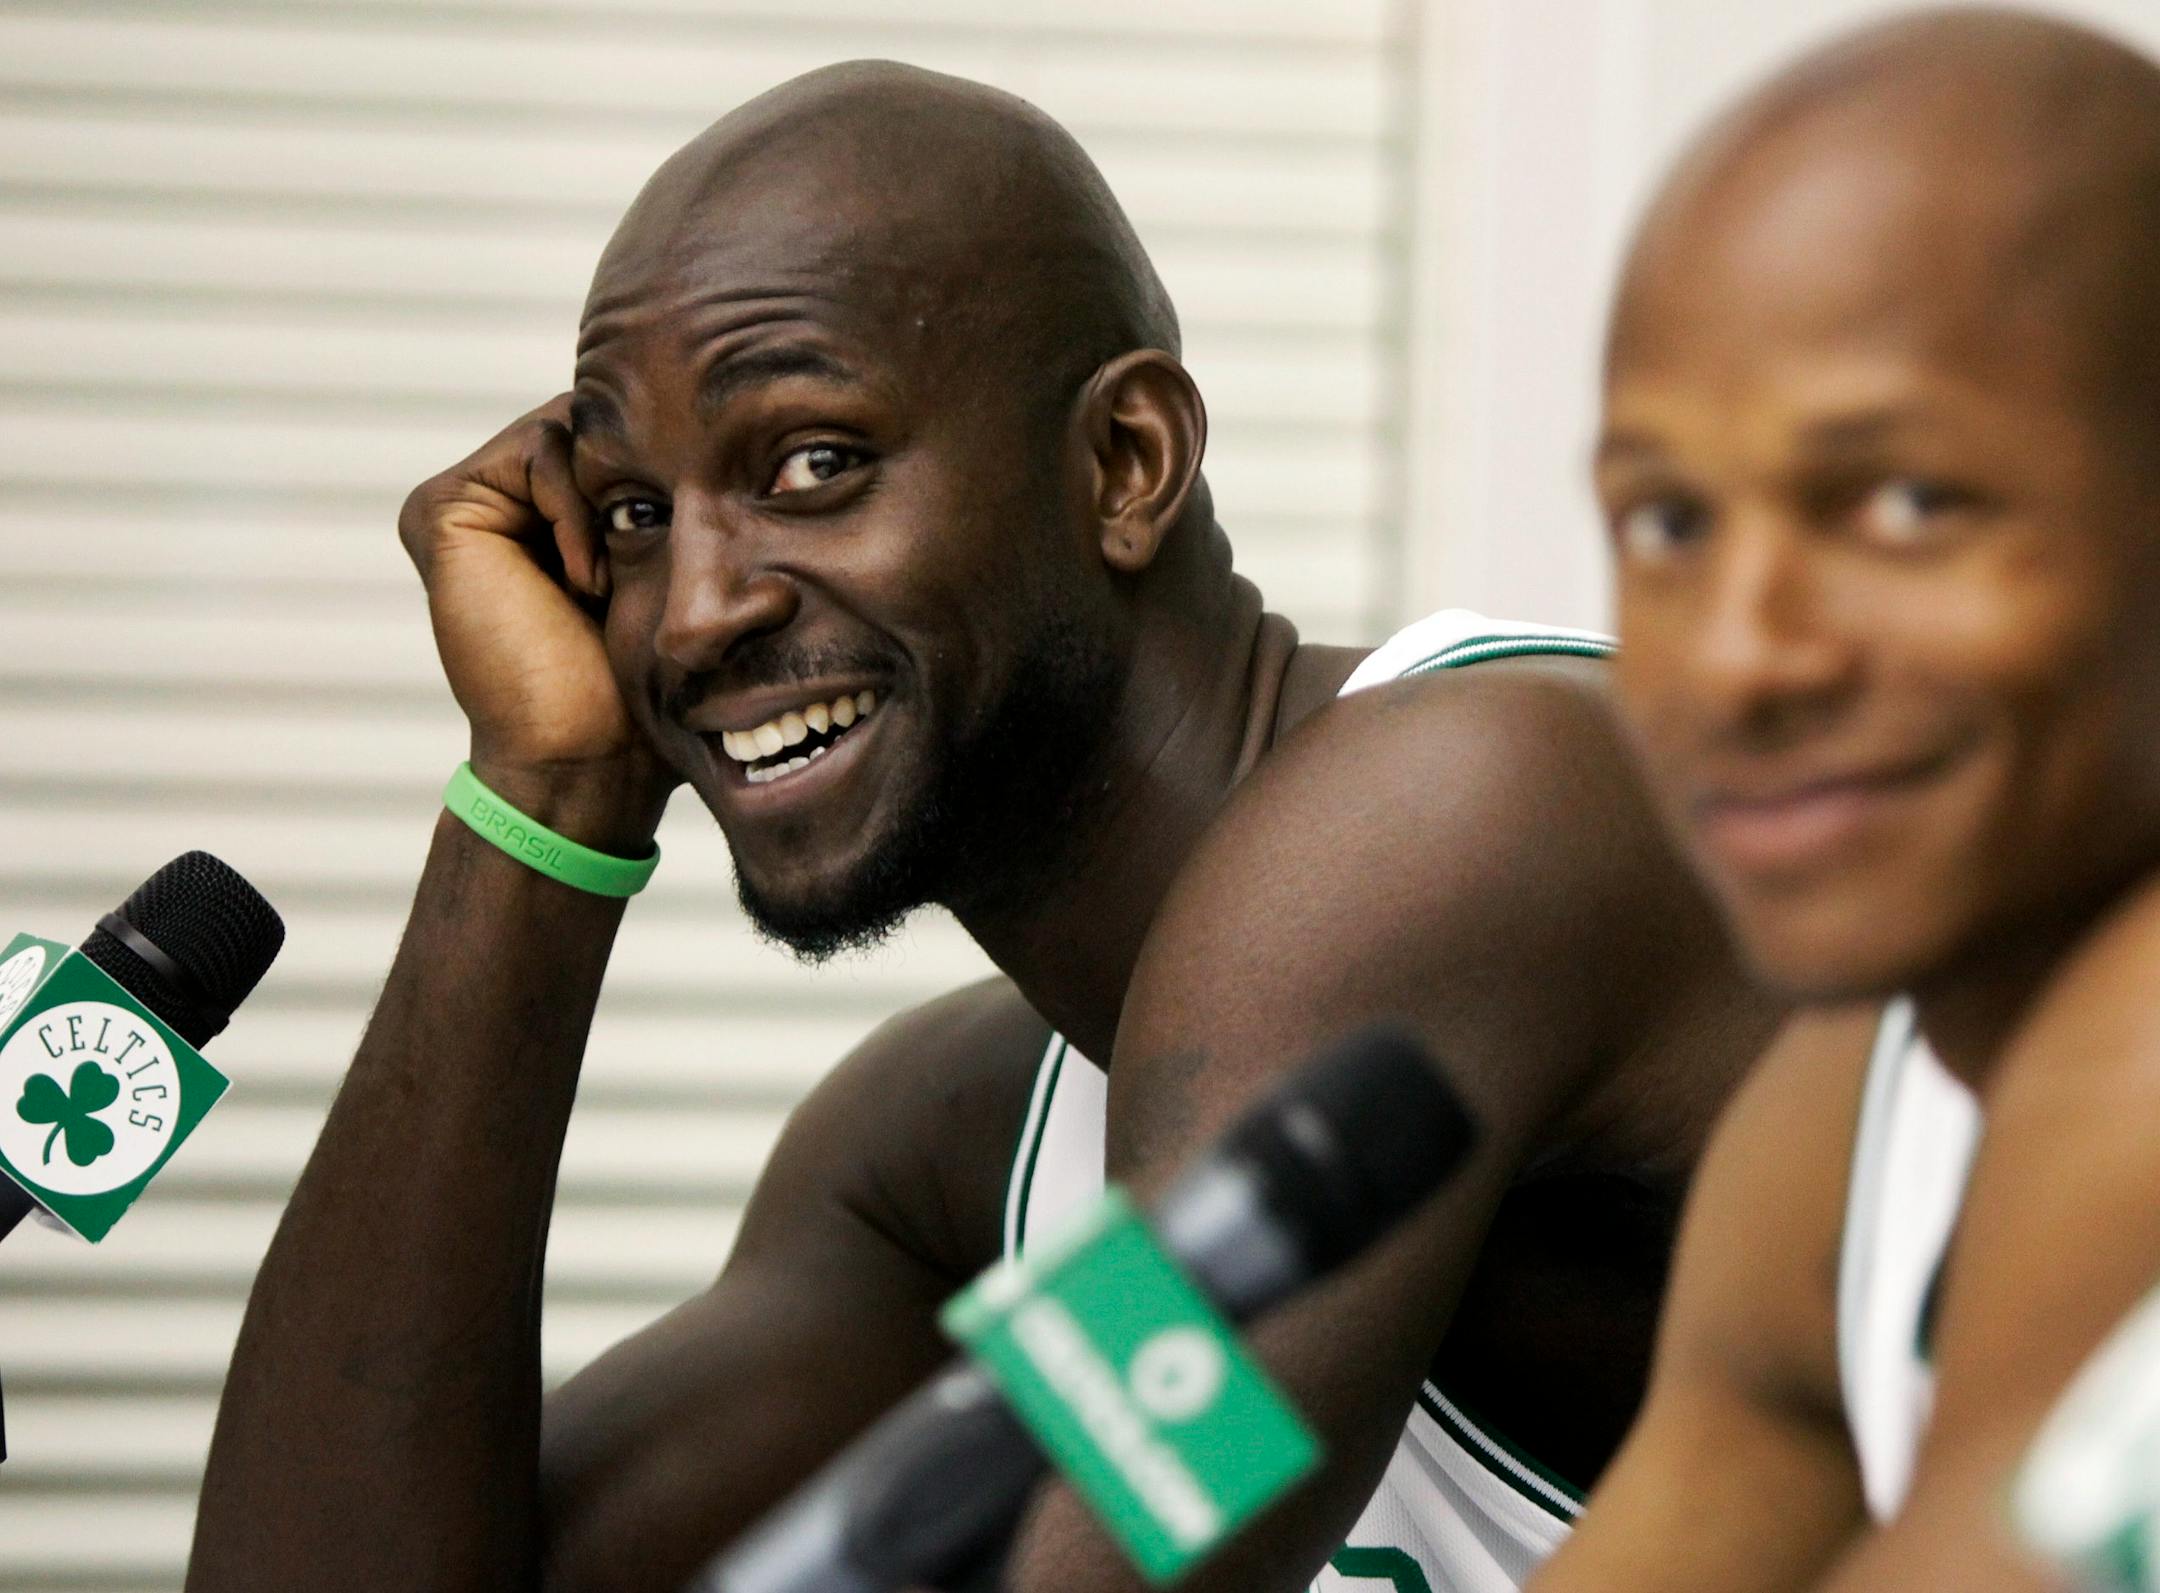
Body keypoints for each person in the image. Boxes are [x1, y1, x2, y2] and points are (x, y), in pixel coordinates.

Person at [184, 61, 1773, 1593]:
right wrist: (545, 801)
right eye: (635, 514)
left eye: (812, 462)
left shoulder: (1457, 815)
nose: (689, 618)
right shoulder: (952, 1146)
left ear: (1126, 462)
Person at [1528, 10, 2160, 1591]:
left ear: (1129, 460)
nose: (1743, 656)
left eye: (1904, 503)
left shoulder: (1394, 832)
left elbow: (1163, 1487)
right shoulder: (1864, 1089)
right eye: (1666, 519)